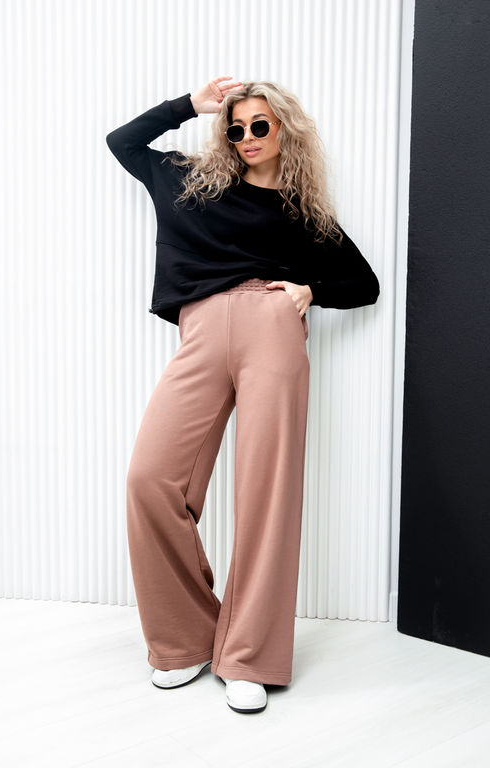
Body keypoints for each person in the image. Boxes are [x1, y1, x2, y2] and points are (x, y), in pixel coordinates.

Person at [106, 76, 380, 714]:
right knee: (151, 479)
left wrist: (309, 288)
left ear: (284, 129)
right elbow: (123, 142)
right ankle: (185, 639)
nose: (248, 137)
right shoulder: (190, 181)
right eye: (236, 128)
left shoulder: (300, 211)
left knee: (267, 491)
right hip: (201, 330)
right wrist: (189, 105)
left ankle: (250, 655)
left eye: (260, 125)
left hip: (272, 327)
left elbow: (363, 284)